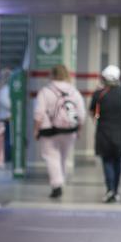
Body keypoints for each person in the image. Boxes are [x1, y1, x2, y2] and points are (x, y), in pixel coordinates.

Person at [33, 64, 85, 198]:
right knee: (63, 157)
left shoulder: (45, 91)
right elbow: (81, 113)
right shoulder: (74, 91)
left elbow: (39, 113)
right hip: (69, 130)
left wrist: (36, 129)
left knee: (51, 157)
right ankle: (61, 180)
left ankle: (57, 185)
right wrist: (79, 128)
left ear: (52, 74)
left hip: (48, 130)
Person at [91, 65, 121, 203]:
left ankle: (110, 189)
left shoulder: (99, 93)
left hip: (104, 131)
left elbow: (93, 112)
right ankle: (116, 191)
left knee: (107, 160)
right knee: (118, 161)